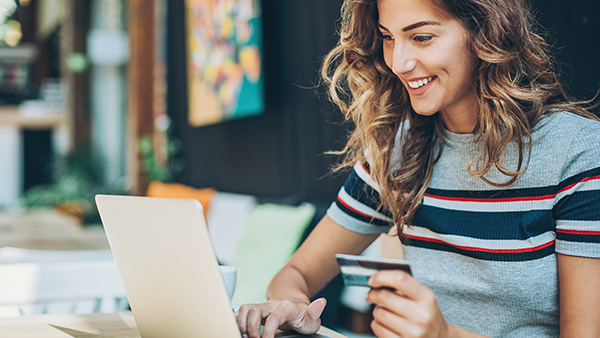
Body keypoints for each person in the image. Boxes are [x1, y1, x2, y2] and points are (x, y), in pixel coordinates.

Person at [236, 0, 600, 337]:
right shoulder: (398, 151)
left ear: (486, 32)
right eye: (388, 38)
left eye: (421, 37)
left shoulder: (576, 151)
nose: (399, 62)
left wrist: (445, 335)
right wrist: (293, 306)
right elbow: (295, 274)